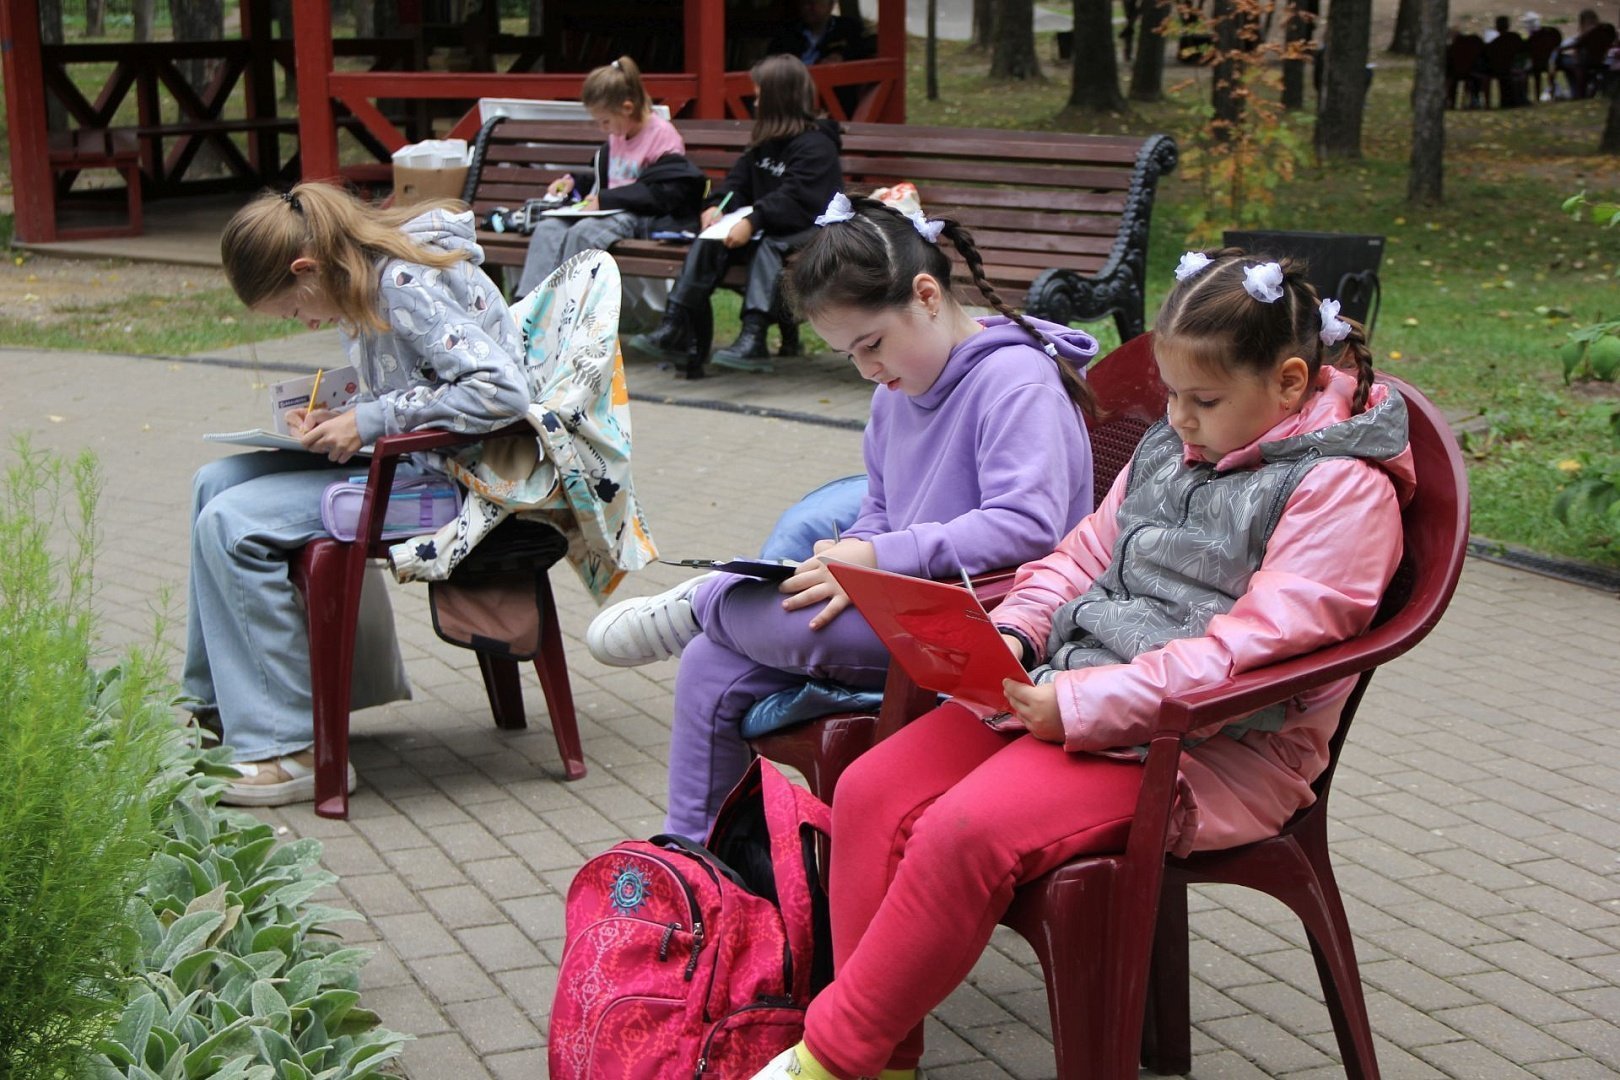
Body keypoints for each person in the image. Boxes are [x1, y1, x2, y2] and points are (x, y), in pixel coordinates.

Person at [746, 249, 1416, 1080]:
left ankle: (833, 1056)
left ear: (1288, 384)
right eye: (1171, 394)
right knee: (871, 789)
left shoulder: (1342, 490)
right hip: (1077, 697)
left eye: (1204, 400)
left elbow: (1254, 652)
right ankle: (885, 1059)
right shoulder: (1175, 445)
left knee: (963, 833)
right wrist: (1018, 635)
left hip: (1209, 747)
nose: (1179, 420)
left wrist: (1085, 701)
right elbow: (1081, 556)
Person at [591, 194, 1102, 840]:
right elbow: (881, 510)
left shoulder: (1017, 382)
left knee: (745, 616)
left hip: (992, 624)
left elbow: (1027, 527)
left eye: (872, 344)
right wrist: (850, 560)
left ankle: (705, 601)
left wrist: (877, 558)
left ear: (927, 296)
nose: (867, 370)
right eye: (849, 356)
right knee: (708, 665)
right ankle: (696, 862)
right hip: (904, 599)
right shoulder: (898, 390)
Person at [186, 182, 531, 807]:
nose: (306, 322)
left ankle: (289, 748)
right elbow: (417, 376)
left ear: (306, 268)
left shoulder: (401, 283)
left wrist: (370, 420)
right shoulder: (364, 279)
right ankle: (219, 708)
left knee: (230, 522)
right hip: (409, 464)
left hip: (455, 484)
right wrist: (339, 415)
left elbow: (502, 391)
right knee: (213, 483)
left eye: (293, 310)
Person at [624, 54, 843, 375]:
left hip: (809, 230)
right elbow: (736, 185)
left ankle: (754, 336)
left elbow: (796, 199)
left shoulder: (816, 146)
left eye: (759, 96)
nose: (755, 104)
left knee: (768, 245)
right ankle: (675, 324)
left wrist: (752, 221)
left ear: (778, 99)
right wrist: (718, 207)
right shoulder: (763, 144)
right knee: (709, 237)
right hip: (769, 224)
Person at [514, 56, 704, 298]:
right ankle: (528, 305)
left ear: (627, 108)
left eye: (605, 121)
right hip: (604, 211)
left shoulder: (662, 137)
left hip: (638, 215)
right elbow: (607, 176)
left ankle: (567, 307)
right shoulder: (619, 132)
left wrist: (606, 200)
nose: (603, 128)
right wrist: (572, 181)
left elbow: (664, 193)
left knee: (583, 234)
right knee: (547, 229)